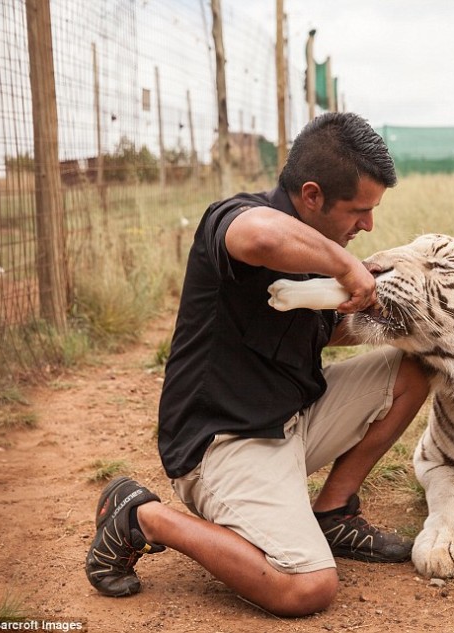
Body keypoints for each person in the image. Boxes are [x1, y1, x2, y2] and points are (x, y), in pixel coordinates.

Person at [84, 112, 430, 617]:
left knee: (414, 371)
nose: (368, 225)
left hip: (291, 419)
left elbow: (310, 333)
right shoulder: (240, 217)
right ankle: (142, 516)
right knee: (307, 587)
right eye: (359, 210)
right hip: (225, 444)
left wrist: (384, 317)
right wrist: (347, 266)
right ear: (311, 196)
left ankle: (333, 512)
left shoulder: (320, 247)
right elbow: (262, 238)